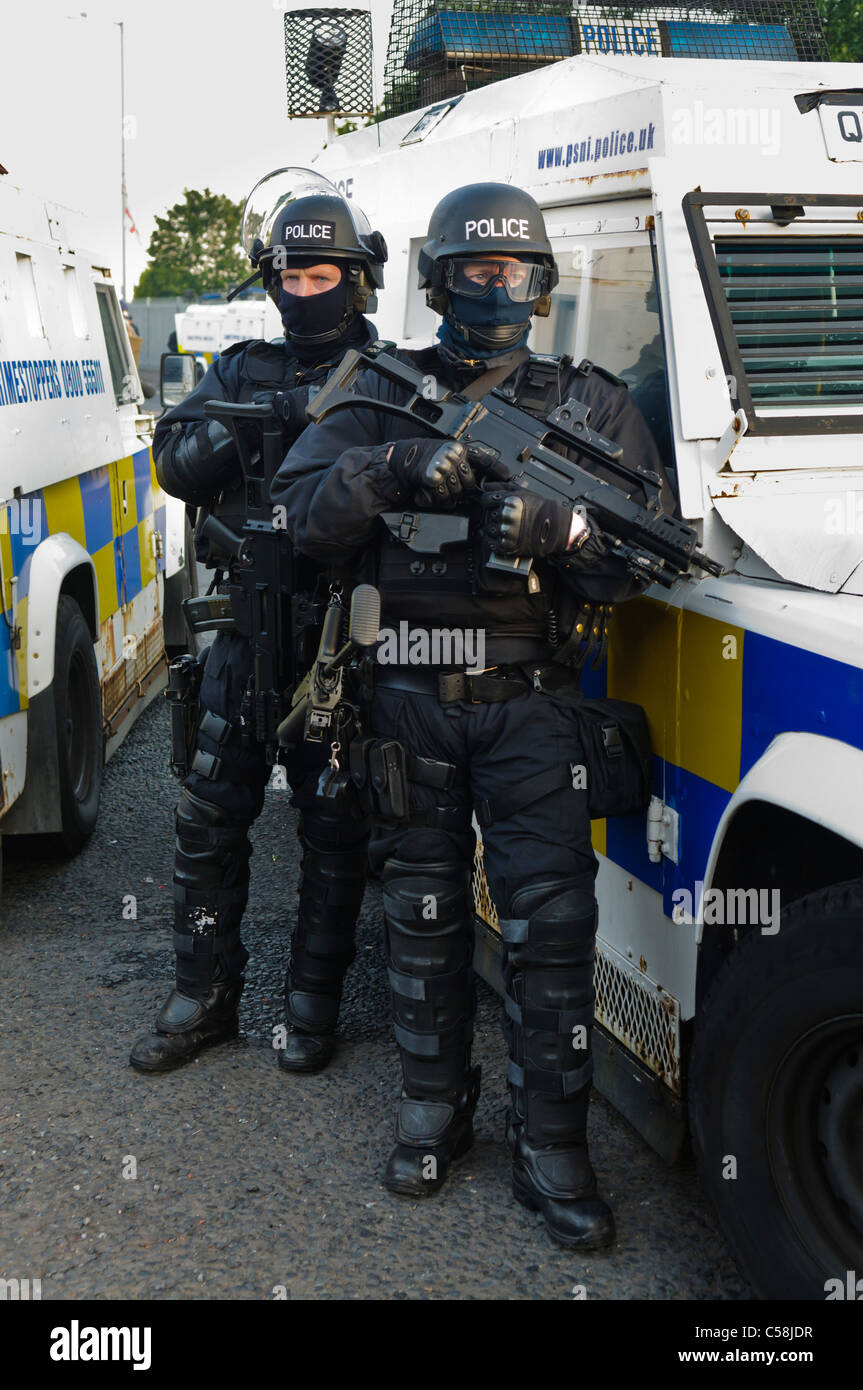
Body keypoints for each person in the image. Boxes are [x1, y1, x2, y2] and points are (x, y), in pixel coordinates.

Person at [270, 182, 674, 1250]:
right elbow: (295, 514)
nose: (493, 291)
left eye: (511, 273)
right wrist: (387, 465)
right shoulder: (381, 391)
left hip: (530, 705)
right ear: (438, 280)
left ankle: (552, 1146)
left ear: (538, 284)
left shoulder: (589, 407)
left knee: (551, 930)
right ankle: (431, 1108)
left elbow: (649, 557)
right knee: (423, 915)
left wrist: (567, 529)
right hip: (403, 697)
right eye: (472, 272)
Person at [130, 170, 387, 1077]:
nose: (306, 294)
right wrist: (257, 423)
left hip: (337, 649)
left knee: (334, 830)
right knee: (207, 821)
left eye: (324, 278)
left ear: (357, 280)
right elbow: (172, 462)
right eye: (292, 278)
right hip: (244, 636)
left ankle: (312, 1005)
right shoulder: (242, 366)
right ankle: (201, 999)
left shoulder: (390, 376)